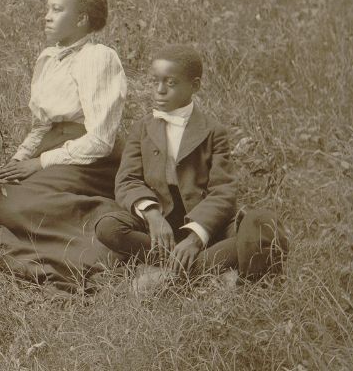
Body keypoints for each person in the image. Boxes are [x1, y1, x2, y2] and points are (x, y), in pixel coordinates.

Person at [96, 44, 288, 289]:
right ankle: (204, 272)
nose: (159, 90)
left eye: (171, 83)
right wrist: (153, 216)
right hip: (160, 226)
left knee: (262, 225)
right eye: (155, 81)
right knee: (108, 227)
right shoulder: (142, 128)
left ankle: (171, 274)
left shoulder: (213, 131)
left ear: (194, 86)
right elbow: (127, 180)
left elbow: (223, 191)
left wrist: (196, 238)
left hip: (206, 228)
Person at [0, 0, 128, 290]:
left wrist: (39, 163)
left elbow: (101, 140)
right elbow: (41, 126)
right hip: (51, 150)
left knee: (12, 204)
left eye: (57, 10)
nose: (46, 16)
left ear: (81, 19)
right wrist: (17, 160)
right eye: (47, 9)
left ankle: (99, 248)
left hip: (89, 161)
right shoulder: (48, 58)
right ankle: (42, 256)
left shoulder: (98, 57)